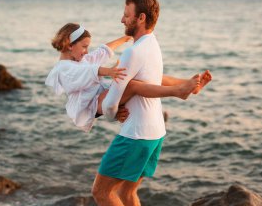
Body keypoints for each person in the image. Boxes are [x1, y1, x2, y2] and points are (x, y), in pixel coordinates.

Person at [91, 0, 212, 206]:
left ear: (141, 18)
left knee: (102, 191)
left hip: (135, 135)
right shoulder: (152, 45)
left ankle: (179, 91)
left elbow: (109, 105)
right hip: (156, 133)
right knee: (127, 191)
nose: (122, 19)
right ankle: (180, 90)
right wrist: (186, 83)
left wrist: (109, 115)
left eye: (127, 14)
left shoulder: (132, 53)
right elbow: (154, 79)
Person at [45, 23, 204, 132]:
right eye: (84, 46)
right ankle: (177, 91)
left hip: (100, 97)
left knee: (146, 75)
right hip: (91, 105)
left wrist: (125, 38)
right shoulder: (63, 68)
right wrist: (109, 71)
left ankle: (188, 84)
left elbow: (103, 51)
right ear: (70, 45)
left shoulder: (81, 59)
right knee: (131, 85)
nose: (87, 51)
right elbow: (89, 72)